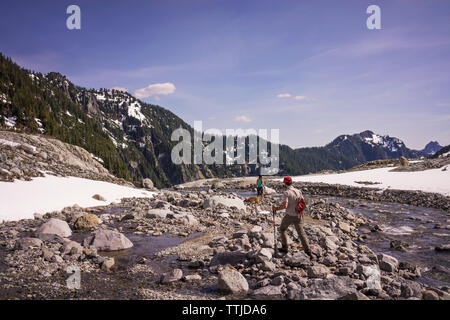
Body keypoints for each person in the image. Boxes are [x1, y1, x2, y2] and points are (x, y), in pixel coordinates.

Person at [272, 176, 312, 257]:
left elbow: (285, 205)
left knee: (282, 229)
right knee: (301, 233)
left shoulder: (286, 192)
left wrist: (276, 208)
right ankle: (308, 251)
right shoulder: (298, 191)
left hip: (290, 215)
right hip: (299, 214)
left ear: (285, 183)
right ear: (291, 182)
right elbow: (303, 202)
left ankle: (285, 247)